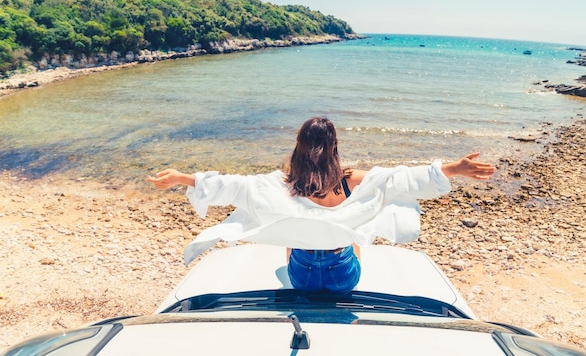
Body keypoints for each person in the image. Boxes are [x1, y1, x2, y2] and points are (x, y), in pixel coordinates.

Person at [147, 117, 496, 293]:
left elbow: (233, 185)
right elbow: (402, 178)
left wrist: (181, 178)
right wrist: (453, 168)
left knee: (291, 228)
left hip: (300, 278)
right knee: (355, 232)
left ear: (299, 146)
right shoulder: (351, 179)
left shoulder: (284, 184)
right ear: (334, 147)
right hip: (345, 277)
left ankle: (310, 255)